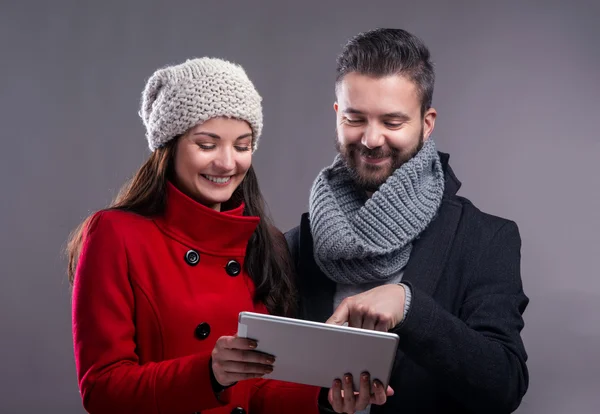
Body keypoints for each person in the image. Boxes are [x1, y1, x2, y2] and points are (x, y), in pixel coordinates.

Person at [66, 57, 389, 414]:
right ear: (169, 147)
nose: (227, 163)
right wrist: (209, 374)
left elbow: (259, 389)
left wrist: (322, 398)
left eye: (242, 145)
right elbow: (102, 389)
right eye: (207, 145)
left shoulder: (265, 242)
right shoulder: (115, 235)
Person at [285, 28, 530, 414]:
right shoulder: (295, 247)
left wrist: (410, 307)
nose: (371, 138)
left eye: (392, 122)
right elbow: (273, 382)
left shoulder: (486, 239)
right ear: (337, 116)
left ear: (427, 123)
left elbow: (504, 386)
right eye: (355, 118)